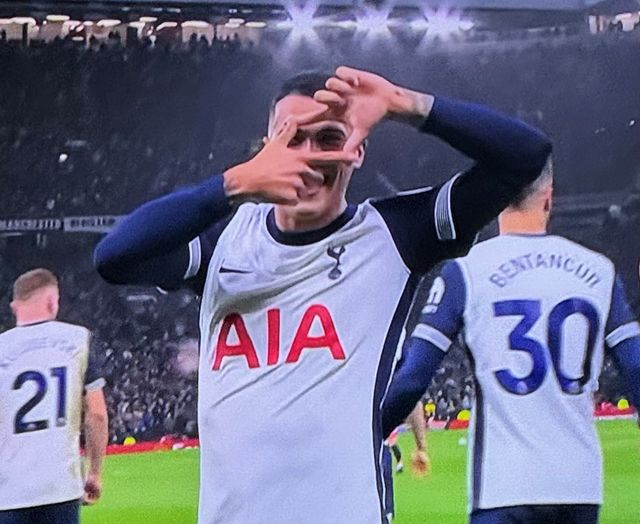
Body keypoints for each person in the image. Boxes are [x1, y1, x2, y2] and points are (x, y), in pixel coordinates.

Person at [94, 66, 551, 523]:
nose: (309, 157)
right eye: (292, 138)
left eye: (329, 139)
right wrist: (231, 186)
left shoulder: (394, 234)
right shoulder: (224, 241)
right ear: (266, 149)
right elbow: (114, 257)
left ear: (357, 150)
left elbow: (526, 157)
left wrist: (404, 104)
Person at [382, 162, 640, 524]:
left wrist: (369, 432)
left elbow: (413, 378)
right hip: (579, 485)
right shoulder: (599, 271)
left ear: (498, 201)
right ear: (548, 198)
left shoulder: (466, 271)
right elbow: (635, 365)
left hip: (504, 486)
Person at [0, 269, 108, 524]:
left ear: (15, 306)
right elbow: (96, 415)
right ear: (52, 301)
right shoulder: (79, 340)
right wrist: (94, 472)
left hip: (9, 490)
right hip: (60, 487)